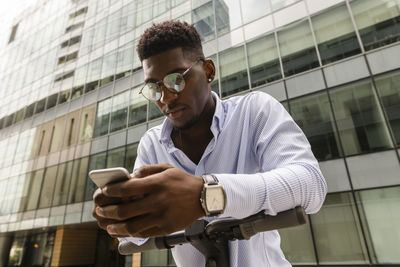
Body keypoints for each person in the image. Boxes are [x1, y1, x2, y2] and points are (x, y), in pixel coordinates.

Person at [93, 21, 327, 267]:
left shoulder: (254, 111)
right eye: (155, 88)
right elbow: (139, 237)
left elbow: (311, 185)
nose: (167, 97)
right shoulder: (152, 145)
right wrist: (118, 218)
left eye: (176, 80)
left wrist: (207, 195)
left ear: (208, 71)